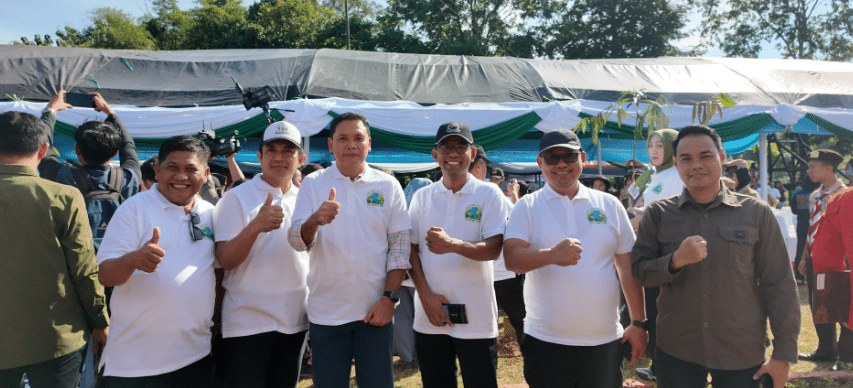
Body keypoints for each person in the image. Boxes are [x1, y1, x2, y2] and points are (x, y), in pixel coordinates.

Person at [631, 124, 800, 388]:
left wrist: (783, 355)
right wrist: (675, 260)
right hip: (677, 349)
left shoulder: (756, 213)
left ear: (721, 157)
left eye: (705, 156)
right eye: (686, 158)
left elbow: (779, 284)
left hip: (741, 350)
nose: (696, 165)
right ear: (675, 164)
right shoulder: (659, 214)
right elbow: (640, 272)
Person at [504, 129, 647, 388]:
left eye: (569, 156)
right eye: (552, 158)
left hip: (603, 341)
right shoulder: (527, 206)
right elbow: (511, 258)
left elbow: (627, 268)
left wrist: (638, 323)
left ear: (582, 158)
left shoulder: (609, 205)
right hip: (546, 341)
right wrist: (552, 255)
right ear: (540, 162)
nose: (561, 164)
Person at [287, 112, 411, 388]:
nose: (351, 145)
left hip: (375, 312)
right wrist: (314, 220)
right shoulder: (313, 183)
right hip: (326, 314)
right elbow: (296, 240)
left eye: (358, 138)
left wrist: (389, 299)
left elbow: (400, 247)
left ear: (369, 143)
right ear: (330, 145)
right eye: (343, 138)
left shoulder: (388, 185)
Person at [96, 136, 216, 387]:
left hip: (195, 356)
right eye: (172, 167)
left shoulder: (210, 213)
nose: (181, 176)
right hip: (135, 364)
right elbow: (105, 275)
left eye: (190, 169)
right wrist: (133, 259)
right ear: (157, 170)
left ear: (205, 174)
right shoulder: (134, 209)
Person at [0, 111, 109, 388]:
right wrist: (100, 322)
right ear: (43, 150)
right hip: (57, 336)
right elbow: (84, 270)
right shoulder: (63, 196)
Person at [407, 123, 509, 388]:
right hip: (430, 315)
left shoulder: (489, 194)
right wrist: (425, 296)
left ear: (472, 154)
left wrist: (453, 245)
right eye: (446, 147)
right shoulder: (422, 197)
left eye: (460, 146)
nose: (453, 153)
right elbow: (410, 250)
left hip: (477, 317)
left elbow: (494, 248)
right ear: (435, 154)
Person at [212, 121, 309, 387]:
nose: (279, 157)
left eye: (287, 150)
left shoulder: (306, 200)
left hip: (294, 322)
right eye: (271, 150)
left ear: (300, 159)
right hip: (247, 322)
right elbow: (225, 260)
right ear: (259, 156)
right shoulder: (236, 198)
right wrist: (255, 226)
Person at [627, 128, 683, 380]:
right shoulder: (656, 175)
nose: (654, 150)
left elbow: (677, 214)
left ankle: (669, 367)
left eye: (660, 145)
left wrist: (643, 218)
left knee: (666, 312)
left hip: (667, 254)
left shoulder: (677, 176)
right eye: (651, 145)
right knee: (656, 310)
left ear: (672, 148)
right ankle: (659, 366)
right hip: (652, 251)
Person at [797, 149, 849, 367]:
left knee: (842, 306)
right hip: (815, 259)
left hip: (837, 260)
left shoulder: (845, 195)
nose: (808, 171)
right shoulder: (815, 196)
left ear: (829, 168)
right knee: (819, 305)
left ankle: (845, 353)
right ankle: (826, 349)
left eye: (813, 167)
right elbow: (811, 229)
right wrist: (803, 257)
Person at [471, 145, 526, 344]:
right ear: (479, 166)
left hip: (475, 274)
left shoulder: (452, 194)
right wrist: (515, 194)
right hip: (503, 273)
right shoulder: (492, 192)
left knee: (481, 328)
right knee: (522, 323)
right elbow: (519, 220)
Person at [395, 177, 433, 371]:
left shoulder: (398, 213)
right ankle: (424, 355)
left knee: (402, 317)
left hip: (399, 274)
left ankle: (407, 359)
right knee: (424, 316)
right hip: (422, 275)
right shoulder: (429, 212)